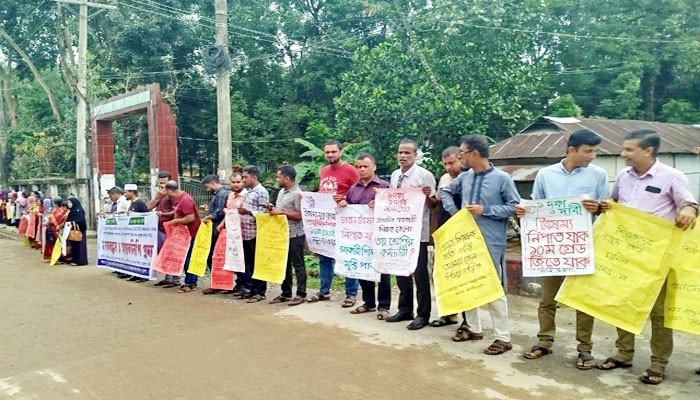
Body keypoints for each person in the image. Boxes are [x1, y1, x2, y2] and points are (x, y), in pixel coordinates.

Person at [596, 130, 698, 385]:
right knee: (622, 303)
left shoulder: (673, 176)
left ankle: (658, 363)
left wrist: (687, 210)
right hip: (625, 253)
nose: (623, 154)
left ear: (648, 150)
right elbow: (615, 201)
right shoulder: (623, 176)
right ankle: (623, 353)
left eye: (629, 150)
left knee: (659, 312)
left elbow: (690, 204)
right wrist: (606, 204)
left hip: (657, 257)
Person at [514, 129, 609, 369]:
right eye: (589, 151)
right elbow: (536, 205)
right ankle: (544, 341)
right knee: (547, 299)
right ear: (571, 150)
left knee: (582, 301)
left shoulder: (598, 175)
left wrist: (597, 207)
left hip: (581, 248)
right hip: (552, 247)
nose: (593, 156)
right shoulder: (546, 175)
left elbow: (607, 208)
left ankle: (585, 349)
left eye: (595, 151)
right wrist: (525, 211)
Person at [441, 134, 521, 355]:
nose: (460, 157)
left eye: (462, 153)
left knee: (493, 288)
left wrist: (486, 210)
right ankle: (473, 328)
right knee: (468, 283)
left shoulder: (502, 178)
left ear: (474, 153)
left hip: (491, 241)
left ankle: (503, 338)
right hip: (466, 239)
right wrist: (455, 213)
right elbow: (446, 191)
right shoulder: (466, 177)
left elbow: (514, 206)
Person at [384, 138, 437, 330]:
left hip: (418, 232)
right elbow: (392, 200)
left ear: (415, 155)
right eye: (400, 152)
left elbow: (433, 205)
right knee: (400, 271)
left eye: (407, 153)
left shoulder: (425, 175)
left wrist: (427, 195)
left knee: (420, 274)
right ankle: (405, 309)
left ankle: (423, 314)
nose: (403, 156)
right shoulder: (394, 175)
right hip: (399, 231)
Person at [307, 140, 361, 308]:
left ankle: (351, 293)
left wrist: (345, 201)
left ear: (340, 152)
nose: (330, 155)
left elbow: (358, 193)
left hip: (345, 221)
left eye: (333, 152)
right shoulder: (323, 171)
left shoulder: (351, 171)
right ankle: (324, 291)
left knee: (347, 255)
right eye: (327, 152)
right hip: (326, 222)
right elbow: (323, 193)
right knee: (325, 257)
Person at [338, 154, 391, 319]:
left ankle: (384, 306)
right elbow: (349, 210)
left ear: (374, 167)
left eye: (365, 166)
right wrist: (343, 204)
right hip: (360, 238)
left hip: (380, 236)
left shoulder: (385, 186)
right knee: (362, 268)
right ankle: (368, 303)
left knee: (382, 271)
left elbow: (393, 209)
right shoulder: (353, 188)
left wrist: (380, 203)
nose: (362, 169)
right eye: (359, 167)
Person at [429, 146, 464, 328]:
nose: (449, 167)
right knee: (444, 274)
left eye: (452, 162)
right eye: (445, 164)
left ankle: (468, 320)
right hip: (444, 230)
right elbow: (437, 204)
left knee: (464, 274)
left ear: (461, 159)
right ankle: (449, 314)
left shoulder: (469, 178)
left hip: (463, 231)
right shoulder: (444, 179)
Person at [268, 165, 307, 306]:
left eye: (278, 177)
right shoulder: (281, 192)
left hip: (295, 234)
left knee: (298, 265)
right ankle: (286, 292)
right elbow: (280, 210)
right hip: (282, 234)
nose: (277, 179)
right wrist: (273, 209)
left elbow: (300, 215)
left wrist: (282, 213)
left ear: (287, 178)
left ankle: (301, 293)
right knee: (284, 265)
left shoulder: (298, 194)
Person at [236, 165, 270, 302]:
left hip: (256, 233)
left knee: (257, 263)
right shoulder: (249, 191)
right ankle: (250, 288)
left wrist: (248, 212)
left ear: (254, 177)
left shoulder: (261, 192)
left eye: (245, 177)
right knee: (248, 263)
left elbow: (265, 214)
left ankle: (260, 291)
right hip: (245, 233)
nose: (243, 180)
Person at [164, 180, 201, 293]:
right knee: (185, 257)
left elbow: (190, 218)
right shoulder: (180, 199)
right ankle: (189, 281)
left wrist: (176, 221)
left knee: (189, 258)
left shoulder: (185, 200)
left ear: (170, 190)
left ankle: (190, 282)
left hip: (191, 233)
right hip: (185, 234)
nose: (165, 194)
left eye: (166, 191)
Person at [217, 171, 248, 296]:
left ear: (243, 182)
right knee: (233, 257)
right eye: (233, 182)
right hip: (231, 233)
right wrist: (221, 224)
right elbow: (228, 212)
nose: (235, 185)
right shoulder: (230, 196)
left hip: (243, 232)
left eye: (238, 182)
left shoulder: (246, 195)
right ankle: (239, 283)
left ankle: (246, 285)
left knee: (244, 259)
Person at [200, 174, 230, 295]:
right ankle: (218, 283)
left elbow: (221, 212)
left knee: (215, 256)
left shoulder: (222, 194)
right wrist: (209, 211)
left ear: (212, 183)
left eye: (207, 187)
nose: (207, 189)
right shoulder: (218, 194)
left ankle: (218, 283)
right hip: (216, 227)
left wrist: (209, 216)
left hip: (218, 228)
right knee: (214, 256)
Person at [150, 172, 178, 288]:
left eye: (164, 183)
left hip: (170, 228)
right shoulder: (159, 194)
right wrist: (157, 197)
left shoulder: (173, 195)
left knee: (172, 253)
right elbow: (149, 207)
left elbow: (177, 211)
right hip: (160, 227)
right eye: (160, 183)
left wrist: (164, 214)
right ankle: (168, 277)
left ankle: (175, 278)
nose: (162, 185)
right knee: (163, 253)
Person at [64, 197, 89, 266]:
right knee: (75, 246)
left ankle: (80, 261)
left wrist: (72, 222)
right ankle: (75, 260)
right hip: (73, 230)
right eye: (68, 202)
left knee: (80, 246)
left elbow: (80, 221)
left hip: (79, 231)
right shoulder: (72, 210)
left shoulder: (79, 210)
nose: (68, 204)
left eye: (69, 202)